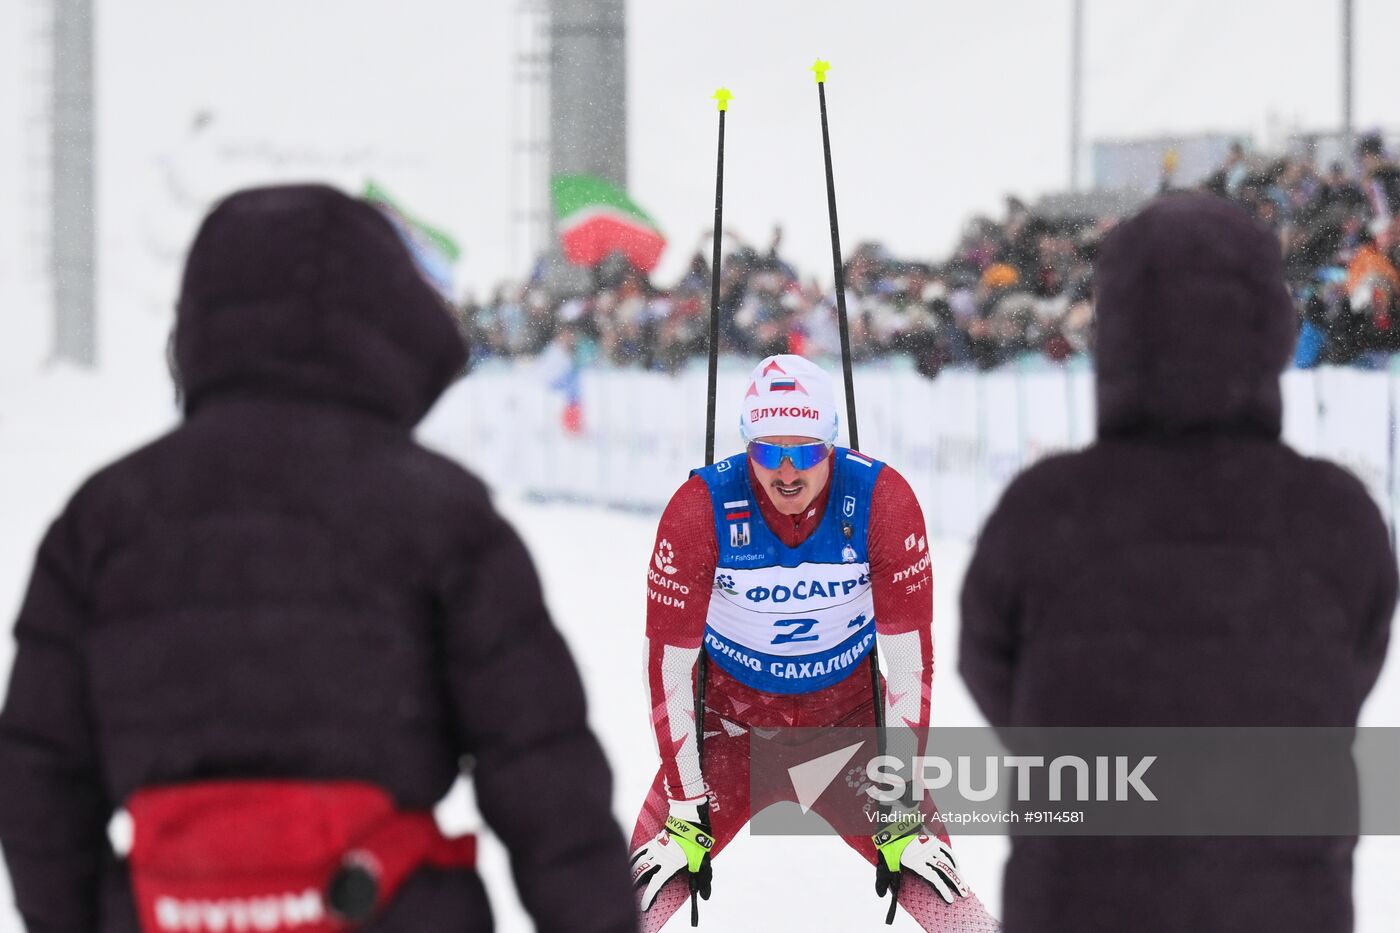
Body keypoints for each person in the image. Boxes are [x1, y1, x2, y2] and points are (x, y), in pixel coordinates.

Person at [0, 185, 637, 933]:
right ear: (382, 324)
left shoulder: (102, 522)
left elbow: (38, 775)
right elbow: (543, 774)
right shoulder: (441, 515)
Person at [959, 191, 1396, 933]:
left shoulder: (1043, 511)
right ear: (1270, 326)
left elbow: (994, 673)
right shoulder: (1335, 516)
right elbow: (1350, 673)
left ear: (1117, 327)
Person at [627, 354, 998, 931]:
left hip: (847, 731)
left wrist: (900, 806)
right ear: (746, 446)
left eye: (804, 453)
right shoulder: (701, 507)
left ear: (831, 445)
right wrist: (684, 803)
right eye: (768, 453)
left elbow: (907, 666)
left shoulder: (882, 499)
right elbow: (670, 668)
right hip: (728, 732)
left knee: (953, 908)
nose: (786, 473)